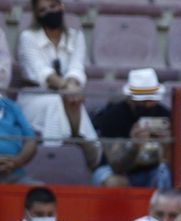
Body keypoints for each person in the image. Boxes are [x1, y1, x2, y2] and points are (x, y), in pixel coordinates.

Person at [16, 0, 87, 133]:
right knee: (55, 102)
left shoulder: (76, 36)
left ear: (61, 6)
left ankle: (86, 145)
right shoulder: (27, 37)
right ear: (37, 15)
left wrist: (70, 87)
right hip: (34, 97)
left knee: (73, 103)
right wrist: (67, 88)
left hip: (69, 95)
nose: (49, 12)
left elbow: (76, 68)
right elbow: (42, 72)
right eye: (43, 10)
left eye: (53, 7)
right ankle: (67, 145)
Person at [93, 69, 170, 190]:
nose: (149, 105)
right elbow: (116, 166)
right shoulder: (113, 115)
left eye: (152, 100)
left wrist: (166, 146)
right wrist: (134, 145)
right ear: (130, 99)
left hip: (152, 169)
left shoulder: (164, 114)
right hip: (114, 169)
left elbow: (172, 160)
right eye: (144, 101)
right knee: (115, 182)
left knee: (166, 175)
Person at [0, 92, 40, 185]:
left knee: (39, 190)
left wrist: (16, 161)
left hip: (14, 174)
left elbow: (31, 141)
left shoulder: (11, 106)